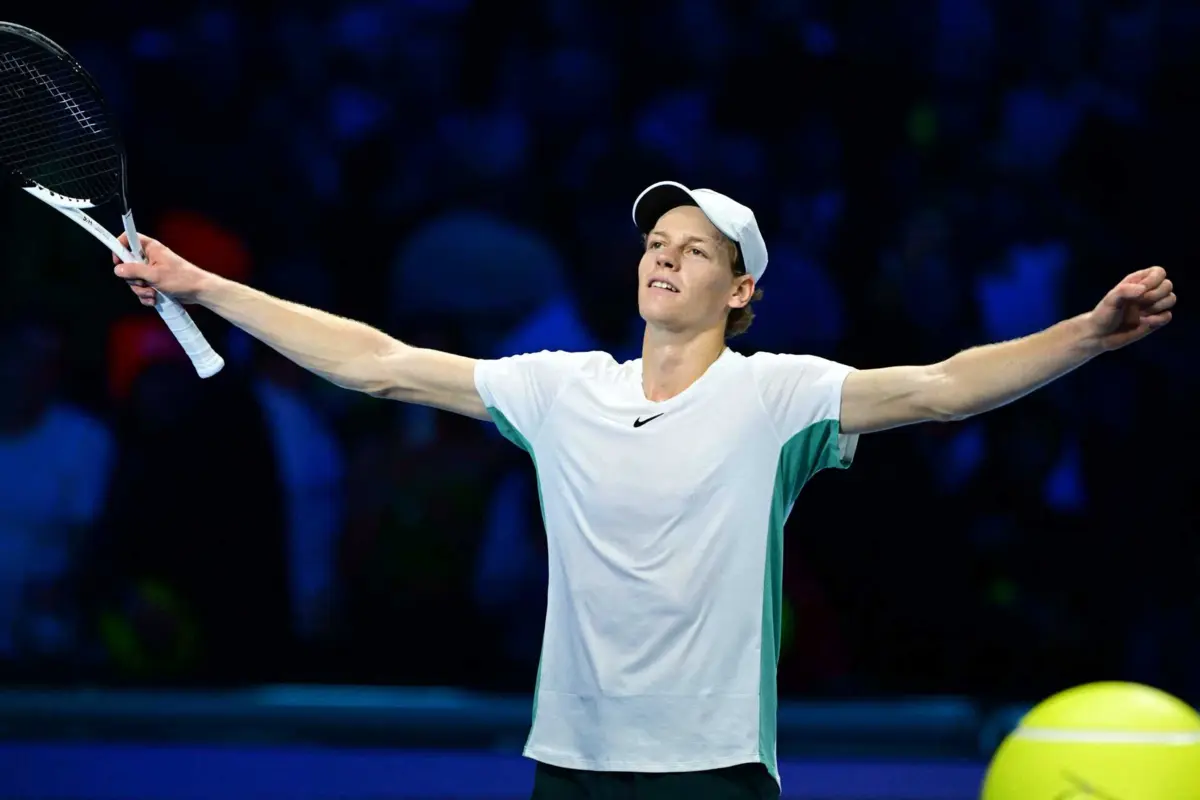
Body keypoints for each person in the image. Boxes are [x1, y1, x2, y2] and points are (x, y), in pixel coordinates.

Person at [112, 180, 1176, 799]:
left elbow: (943, 388)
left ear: (741, 287)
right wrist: (203, 285)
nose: (663, 257)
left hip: (713, 773)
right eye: (655, 244)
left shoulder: (780, 398)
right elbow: (378, 360)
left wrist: (1087, 332)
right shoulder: (561, 386)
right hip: (570, 769)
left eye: (694, 250)